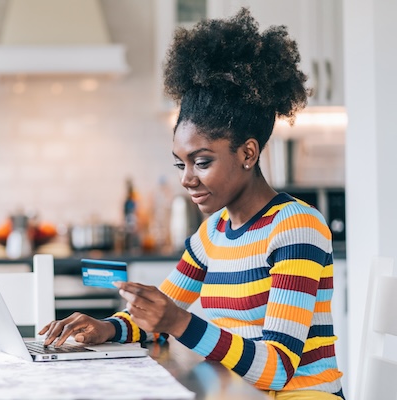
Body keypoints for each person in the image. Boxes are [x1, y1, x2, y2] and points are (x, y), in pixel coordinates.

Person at [40, 8, 344, 400]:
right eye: (181, 163)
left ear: (248, 153)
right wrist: (107, 327)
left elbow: (277, 369)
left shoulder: (297, 227)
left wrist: (179, 322)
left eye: (202, 162)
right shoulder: (213, 234)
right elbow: (160, 311)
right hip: (233, 392)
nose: (187, 178)